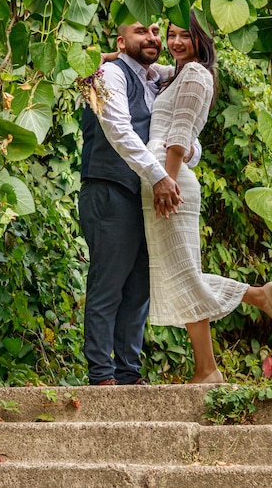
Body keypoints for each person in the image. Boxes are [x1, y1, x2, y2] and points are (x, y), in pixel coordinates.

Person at [141, 11, 272, 384]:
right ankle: (257, 300)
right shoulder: (176, 73)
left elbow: (179, 134)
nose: (177, 43)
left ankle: (209, 367)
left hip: (168, 181)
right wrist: (113, 54)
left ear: (202, 40)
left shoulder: (194, 74)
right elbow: (138, 64)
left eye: (186, 37)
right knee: (180, 274)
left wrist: (168, 181)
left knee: (182, 275)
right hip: (162, 178)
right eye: (172, 35)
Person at [79, 22, 199, 385]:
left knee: (138, 289)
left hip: (146, 196)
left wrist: (185, 154)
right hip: (109, 189)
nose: (152, 38)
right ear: (120, 41)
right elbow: (117, 128)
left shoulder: (158, 80)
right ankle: (102, 375)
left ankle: (128, 374)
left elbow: (181, 138)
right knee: (109, 283)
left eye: (155, 31)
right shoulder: (107, 73)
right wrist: (159, 176)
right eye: (139, 31)